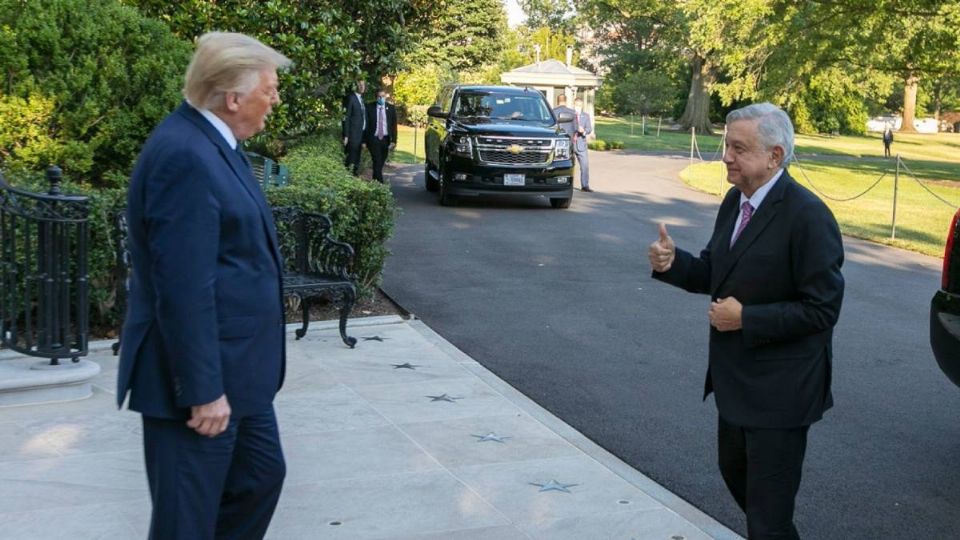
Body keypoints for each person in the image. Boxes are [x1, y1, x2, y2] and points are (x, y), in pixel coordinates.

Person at [117, 32, 291, 539]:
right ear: (233, 97)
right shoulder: (184, 155)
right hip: (200, 385)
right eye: (270, 88)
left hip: (241, 376)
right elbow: (184, 286)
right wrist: (202, 390)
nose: (275, 99)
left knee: (259, 478)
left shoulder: (218, 144)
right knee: (184, 524)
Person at [647, 102, 844, 539]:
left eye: (739, 148)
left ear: (775, 156)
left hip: (781, 393)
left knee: (767, 519)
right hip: (736, 385)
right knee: (745, 489)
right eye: (726, 145)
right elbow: (717, 271)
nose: (726, 157)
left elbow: (823, 309)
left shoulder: (808, 216)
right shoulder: (736, 201)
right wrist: (671, 263)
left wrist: (746, 319)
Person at [364, 89, 397, 183]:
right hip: (373, 139)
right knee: (377, 160)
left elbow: (394, 126)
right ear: (376, 97)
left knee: (380, 163)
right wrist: (364, 141)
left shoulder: (391, 108)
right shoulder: (369, 107)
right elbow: (366, 124)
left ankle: (375, 183)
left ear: (385, 97)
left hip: (385, 140)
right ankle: (381, 185)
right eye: (379, 96)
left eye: (383, 96)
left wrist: (394, 141)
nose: (381, 98)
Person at [343, 80, 366, 175]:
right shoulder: (350, 98)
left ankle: (354, 178)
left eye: (363, 85)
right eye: (359, 85)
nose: (362, 87)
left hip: (360, 134)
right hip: (352, 135)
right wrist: (346, 135)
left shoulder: (361, 99)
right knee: (351, 160)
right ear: (355, 86)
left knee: (357, 159)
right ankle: (349, 179)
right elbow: (346, 117)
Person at [573, 97, 593, 192]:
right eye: (577, 105)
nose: (578, 107)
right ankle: (568, 184)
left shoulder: (586, 116)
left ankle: (585, 185)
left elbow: (589, 128)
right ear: (574, 105)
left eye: (580, 105)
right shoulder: (570, 115)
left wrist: (584, 131)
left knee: (584, 166)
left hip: (581, 144)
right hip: (571, 144)